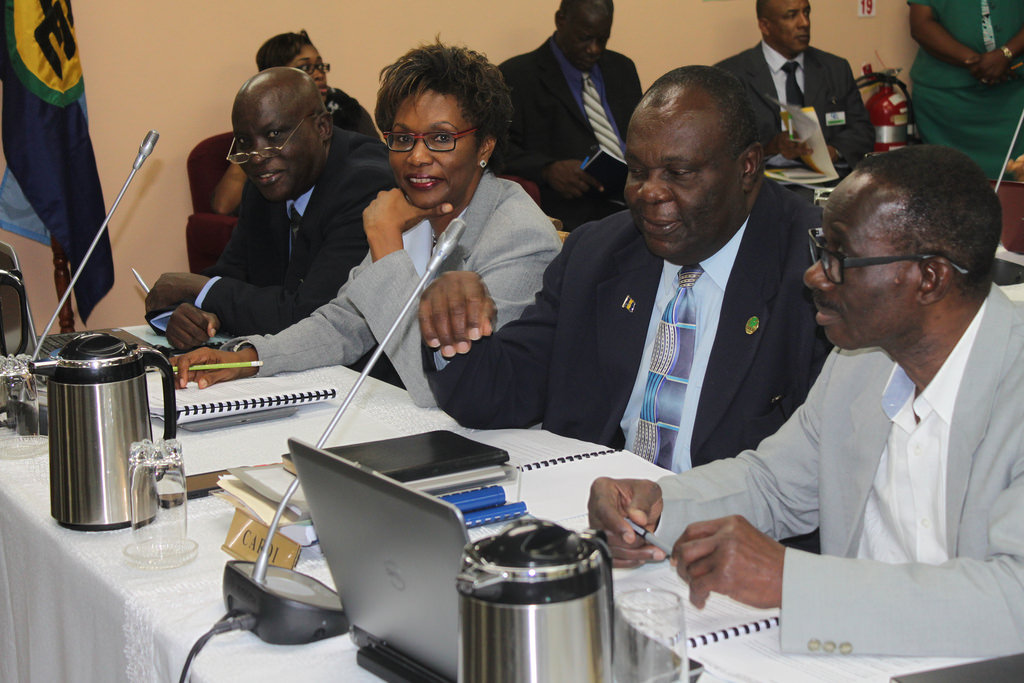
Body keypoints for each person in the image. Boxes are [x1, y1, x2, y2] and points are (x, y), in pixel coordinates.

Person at [589, 144, 1024, 658]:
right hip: (854, 659)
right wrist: (658, 508)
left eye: (839, 260)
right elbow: (776, 483)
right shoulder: (860, 363)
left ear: (929, 278)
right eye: (822, 249)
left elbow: (1012, 599)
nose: (814, 276)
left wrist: (790, 583)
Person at [420, 66, 829, 471]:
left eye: (678, 173)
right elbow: (501, 395)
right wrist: (454, 325)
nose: (649, 192)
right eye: (637, 171)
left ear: (747, 167)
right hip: (589, 507)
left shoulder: (819, 269)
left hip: (731, 522)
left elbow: (825, 467)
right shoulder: (597, 253)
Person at [171, 42, 562, 408]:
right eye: (402, 138)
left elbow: (442, 385)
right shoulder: (415, 212)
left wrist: (388, 245)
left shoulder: (518, 237)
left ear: (486, 146)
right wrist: (249, 358)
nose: (417, 157)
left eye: (441, 138)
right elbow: (346, 323)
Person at [146, 67, 393, 350]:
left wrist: (198, 288)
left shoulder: (366, 184)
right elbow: (229, 275)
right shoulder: (267, 182)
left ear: (323, 127)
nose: (257, 157)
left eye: (274, 135)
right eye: (245, 142)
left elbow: (312, 317)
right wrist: (187, 314)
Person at [500, 0, 642, 230]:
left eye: (602, 39)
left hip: (637, 200)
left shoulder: (622, 68)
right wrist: (547, 169)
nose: (594, 49)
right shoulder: (518, 76)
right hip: (575, 211)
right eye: (584, 38)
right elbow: (498, 147)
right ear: (560, 20)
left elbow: (641, 131)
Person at [211, 29, 379, 216]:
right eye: (306, 68)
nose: (318, 75)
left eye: (321, 66)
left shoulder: (347, 110)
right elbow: (223, 206)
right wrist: (253, 143)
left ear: (324, 126)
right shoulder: (263, 163)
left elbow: (378, 164)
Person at [716, 0, 873, 171]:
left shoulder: (835, 69)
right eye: (791, 16)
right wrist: (771, 148)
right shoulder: (731, 76)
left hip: (829, 184)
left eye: (806, 13)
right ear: (765, 26)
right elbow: (722, 148)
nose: (804, 23)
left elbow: (862, 131)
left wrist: (834, 151)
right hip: (763, 187)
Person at [908, 1, 1024, 179]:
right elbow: (921, 24)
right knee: (952, 185)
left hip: (1014, 98)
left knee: (1014, 188)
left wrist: (1006, 54)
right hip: (947, 105)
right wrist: (977, 62)